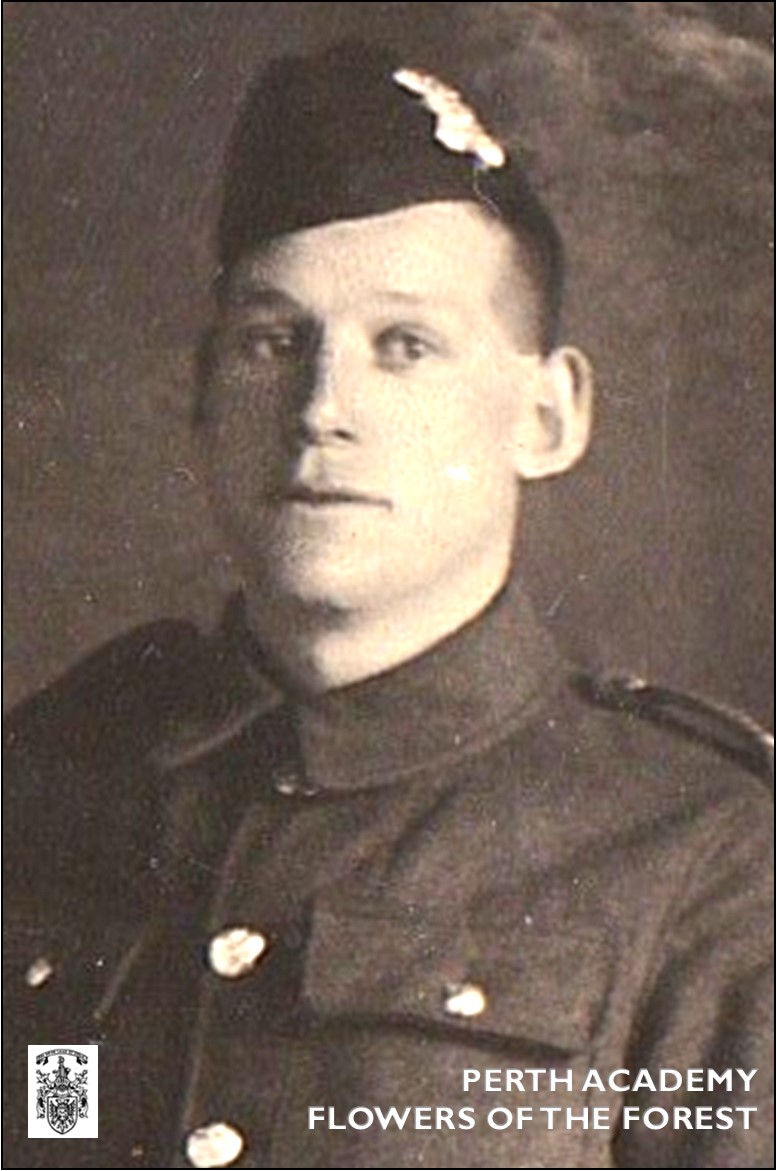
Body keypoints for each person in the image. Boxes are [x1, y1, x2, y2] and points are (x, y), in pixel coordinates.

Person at [3, 40, 773, 1171]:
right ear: (201, 397)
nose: (322, 406)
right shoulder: (54, 779)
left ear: (547, 416)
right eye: (274, 341)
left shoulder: (706, 856)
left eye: (405, 346)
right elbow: (43, 1119)